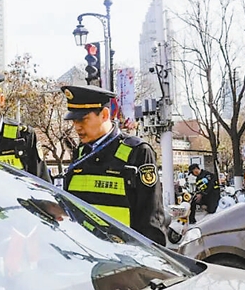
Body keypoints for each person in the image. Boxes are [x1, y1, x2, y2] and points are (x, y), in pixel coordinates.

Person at [61, 84, 167, 246]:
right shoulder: (81, 152)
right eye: (74, 120)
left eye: (82, 119)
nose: (77, 127)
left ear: (104, 114)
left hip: (123, 255)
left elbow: (151, 217)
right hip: (84, 251)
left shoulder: (137, 152)